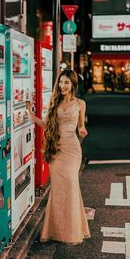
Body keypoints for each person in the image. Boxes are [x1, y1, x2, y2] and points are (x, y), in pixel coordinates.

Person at [26, 69, 90, 245]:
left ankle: (72, 230)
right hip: (56, 150)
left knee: (70, 184)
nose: (62, 86)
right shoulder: (54, 102)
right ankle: (56, 230)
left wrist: (82, 130)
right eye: (60, 82)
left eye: (66, 83)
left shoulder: (80, 103)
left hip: (72, 150)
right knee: (59, 190)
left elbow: (80, 126)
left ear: (73, 85)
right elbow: (46, 125)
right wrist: (32, 116)